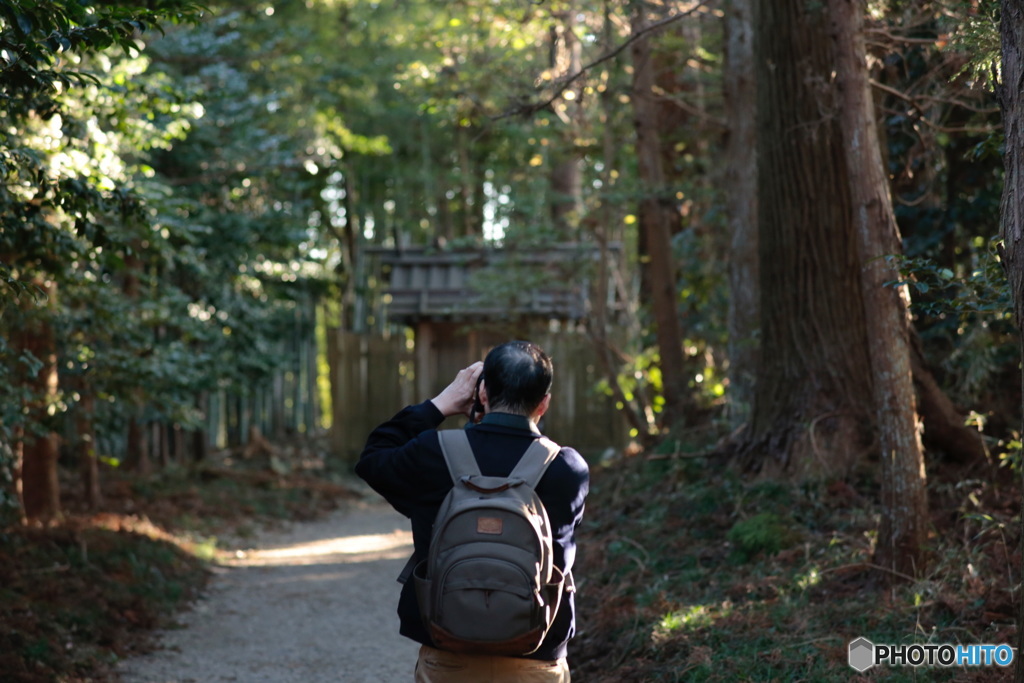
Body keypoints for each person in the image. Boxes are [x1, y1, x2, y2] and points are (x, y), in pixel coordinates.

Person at [356, 340, 590, 683]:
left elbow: (373, 459)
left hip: (449, 653)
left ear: (481, 395)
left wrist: (438, 406)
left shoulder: (434, 453)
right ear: (544, 403)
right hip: (536, 658)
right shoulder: (567, 469)